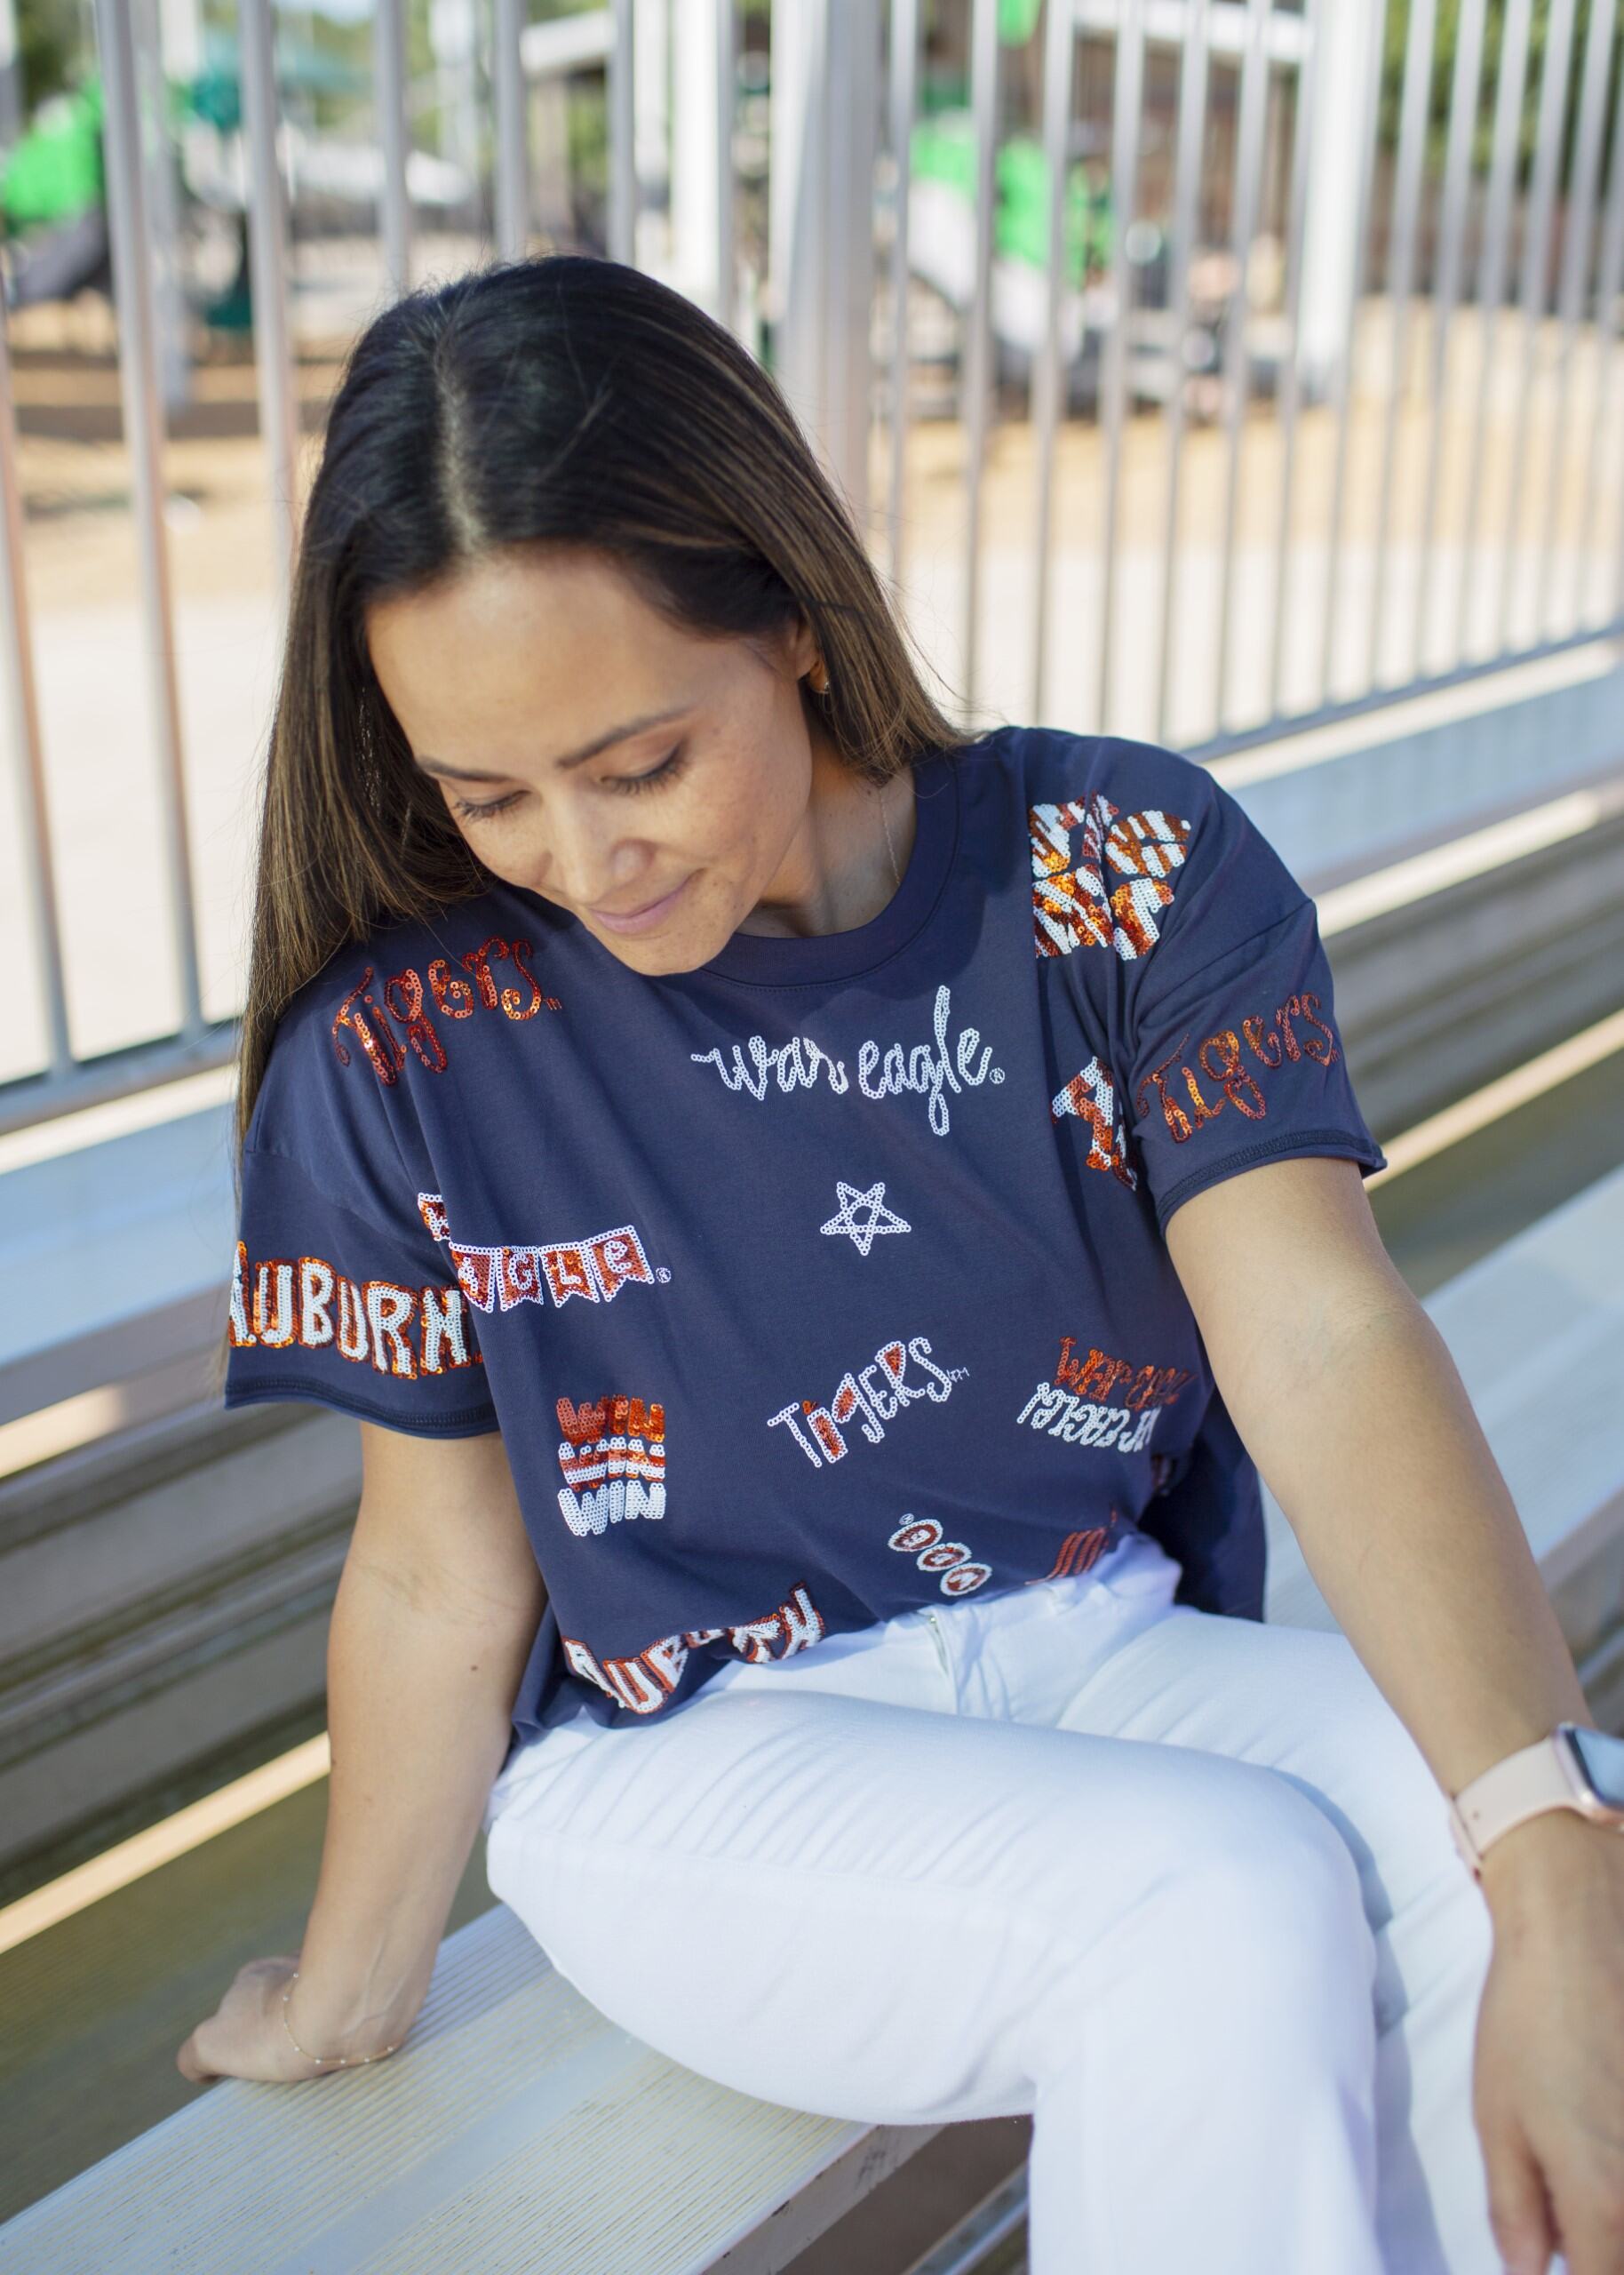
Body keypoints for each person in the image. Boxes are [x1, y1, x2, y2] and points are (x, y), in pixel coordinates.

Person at [175, 253, 1624, 2275]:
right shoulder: (407, 1052)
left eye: (636, 762)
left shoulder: (1111, 870)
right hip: (689, 1763)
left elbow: (1311, 1326)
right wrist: (346, 1991)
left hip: (1099, 1651)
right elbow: (434, 1565)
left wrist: (1549, 1845)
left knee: (1554, 1845)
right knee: (1210, 1900)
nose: (584, 865)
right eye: (485, 793)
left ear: (787, 610)